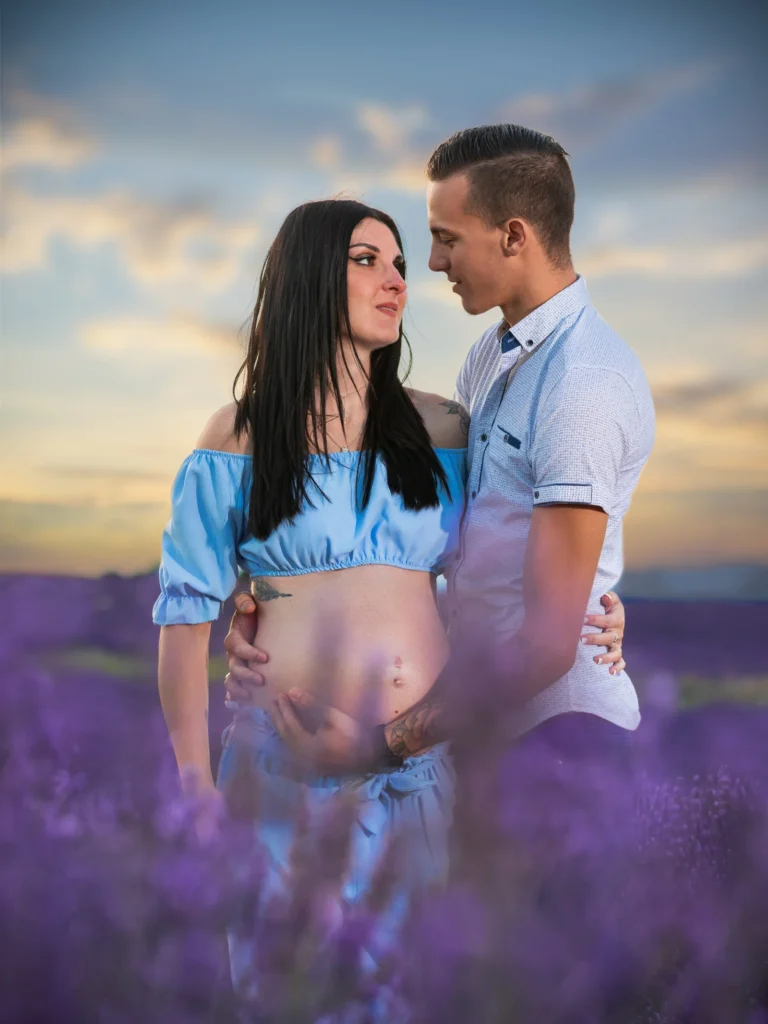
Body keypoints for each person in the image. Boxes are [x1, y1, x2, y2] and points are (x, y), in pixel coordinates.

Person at [153, 193, 627, 994]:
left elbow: (530, 548)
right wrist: (196, 790)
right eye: (367, 261)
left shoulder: (444, 428)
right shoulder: (234, 437)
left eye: (402, 263)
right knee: (291, 997)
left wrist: (601, 609)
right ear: (309, 277)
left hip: (421, 766)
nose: (398, 279)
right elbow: (183, 618)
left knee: (420, 1000)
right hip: (279, 775)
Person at [224, 124, 649, 778]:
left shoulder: (581, 384)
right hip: (484, 730)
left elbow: (546, 646)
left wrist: (377, 747)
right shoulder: (490, 360)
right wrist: (275, 611)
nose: (429, 265)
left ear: (513, 236)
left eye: (446, 239)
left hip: (559, 739)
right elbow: (450, 550)